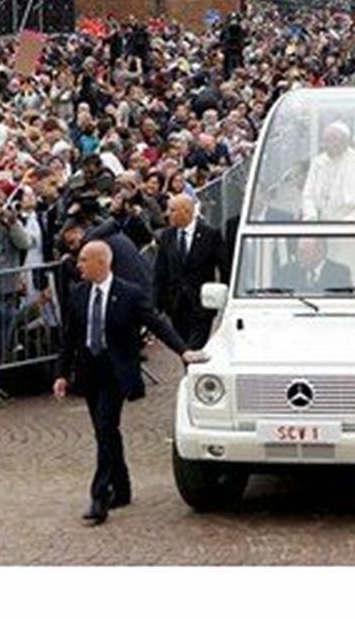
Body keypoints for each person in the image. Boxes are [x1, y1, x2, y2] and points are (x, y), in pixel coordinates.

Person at [53, 241, 203, 525]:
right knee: (104, 432)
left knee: (107, 427)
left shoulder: (129, 294)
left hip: (116, 373)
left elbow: (157, 324)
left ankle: (100, 497)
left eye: (84, 260)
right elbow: (70, 337)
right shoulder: (78, 294)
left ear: (101, 262)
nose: (79, 265)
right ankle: (122, 488)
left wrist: (183, 350)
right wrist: (61, 373)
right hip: (89, 372)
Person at [152, 193, 231, 349]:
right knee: (182, 347)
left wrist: (223, 298)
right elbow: (160, 271)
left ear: (186, 211)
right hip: (175, 306)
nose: (168, 215)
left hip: (201, 306)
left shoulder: (210, 235)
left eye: (173, 210)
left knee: (194, 348)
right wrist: (156, 303)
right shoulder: (167, 236)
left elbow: (224, 268)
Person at [300, 122, 355, 221]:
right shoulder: (318, 163)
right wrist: (311, 217)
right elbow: (308, 196)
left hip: (351, 231)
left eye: (333, 139)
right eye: (325, 140)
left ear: (346, 142)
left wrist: (344, 225)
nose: (327, 144)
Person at [274, 237, 351, 292]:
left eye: (304, 252)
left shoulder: (340, 273)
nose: (299, 257)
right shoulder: (287, 271)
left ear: (320, 252)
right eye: (298, 252)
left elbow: (341, 303)